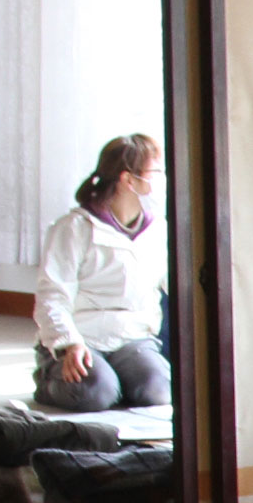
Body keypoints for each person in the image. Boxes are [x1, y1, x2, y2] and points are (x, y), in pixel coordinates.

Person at [30, 133, 170, 414]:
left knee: (158, 391)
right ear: (128, 180)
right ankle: (49, 377)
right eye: (156, 172)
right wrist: (69, 344)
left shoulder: (159, 229)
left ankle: (116, 379)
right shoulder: (73, 228)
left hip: (133, 338)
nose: (162, 180)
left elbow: (174, 286)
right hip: (82, 339)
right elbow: (52, 297)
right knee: (96, 394)